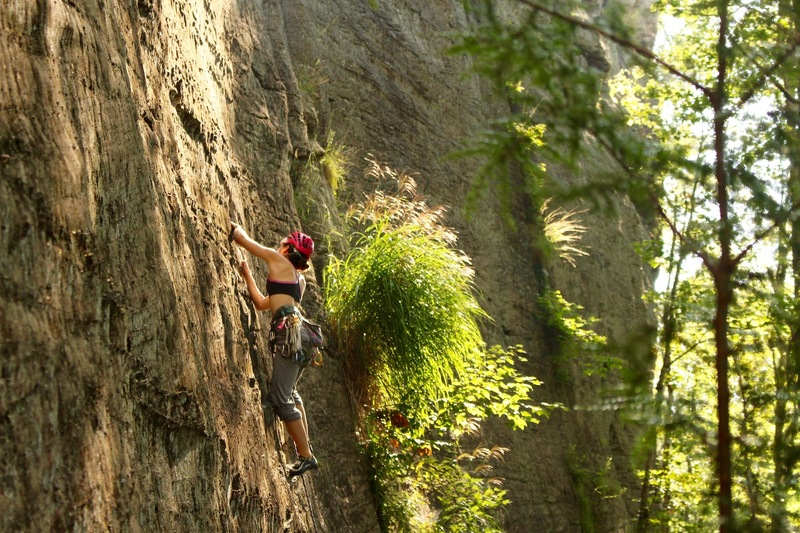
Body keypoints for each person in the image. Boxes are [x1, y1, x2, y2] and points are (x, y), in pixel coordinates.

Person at [229, 222, 318, 478]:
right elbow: (261, 303)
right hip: (303, 336)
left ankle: (306, 455)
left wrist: (235, 228)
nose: (278, 246)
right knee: (291, 393)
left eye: (283, 244)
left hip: (290, 334)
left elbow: (242, 239)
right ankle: (305, 449)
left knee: (280, 400)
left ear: (288, 249)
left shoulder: (280, 262)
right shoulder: (297, 281)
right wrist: (247, 276)